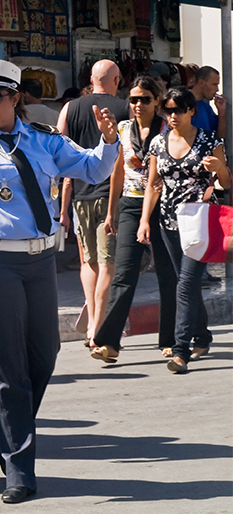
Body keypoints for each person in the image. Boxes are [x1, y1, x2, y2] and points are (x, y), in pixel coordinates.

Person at [0, 59, 121, 503]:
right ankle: (18, 467)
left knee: (45, 356)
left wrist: (110, 143)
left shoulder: (43, 140)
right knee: (8, 368)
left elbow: (91, 170)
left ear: (15, 98)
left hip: (40, 263)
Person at [137, 87, 231, 374]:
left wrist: (220, 168)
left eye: (179, 109)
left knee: (186, 282)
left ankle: (180, 351)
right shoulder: (158, 142)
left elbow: (226, 183)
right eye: (169, 110)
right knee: (183, 282)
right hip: (168, 221)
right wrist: (144, 220)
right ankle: (202, 336)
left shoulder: (209, 140)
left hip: (200, 222)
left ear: (192, 111)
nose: (173, 115)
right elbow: (153, 185)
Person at [91, 77, 177, 363]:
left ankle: (171, 339)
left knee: (168, 274)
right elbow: (117, 171)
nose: (138, 104)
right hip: (130, 204)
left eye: (144, 99)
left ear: (157, 101)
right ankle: (108, 342)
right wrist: (111, 211)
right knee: (123, 273)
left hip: (163, 207)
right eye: (133, 99)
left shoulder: (168, 131)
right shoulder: (123, 129)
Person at [58, 60, 130, 344]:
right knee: (109, 263)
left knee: (89, 262)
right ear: (117, 79)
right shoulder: (125, 109)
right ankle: (98, 326)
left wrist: (63, 203)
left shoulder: (70, 108)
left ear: (91, 78)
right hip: (112, 197)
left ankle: (94, 318)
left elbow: (59, 148)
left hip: (80, 195)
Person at [190, 66, 227, 140]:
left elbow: (220, 135)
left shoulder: (206, 106)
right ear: (201, 83)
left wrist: (221, 111)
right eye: (214, 84)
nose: (217, 89)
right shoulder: (183, 103)